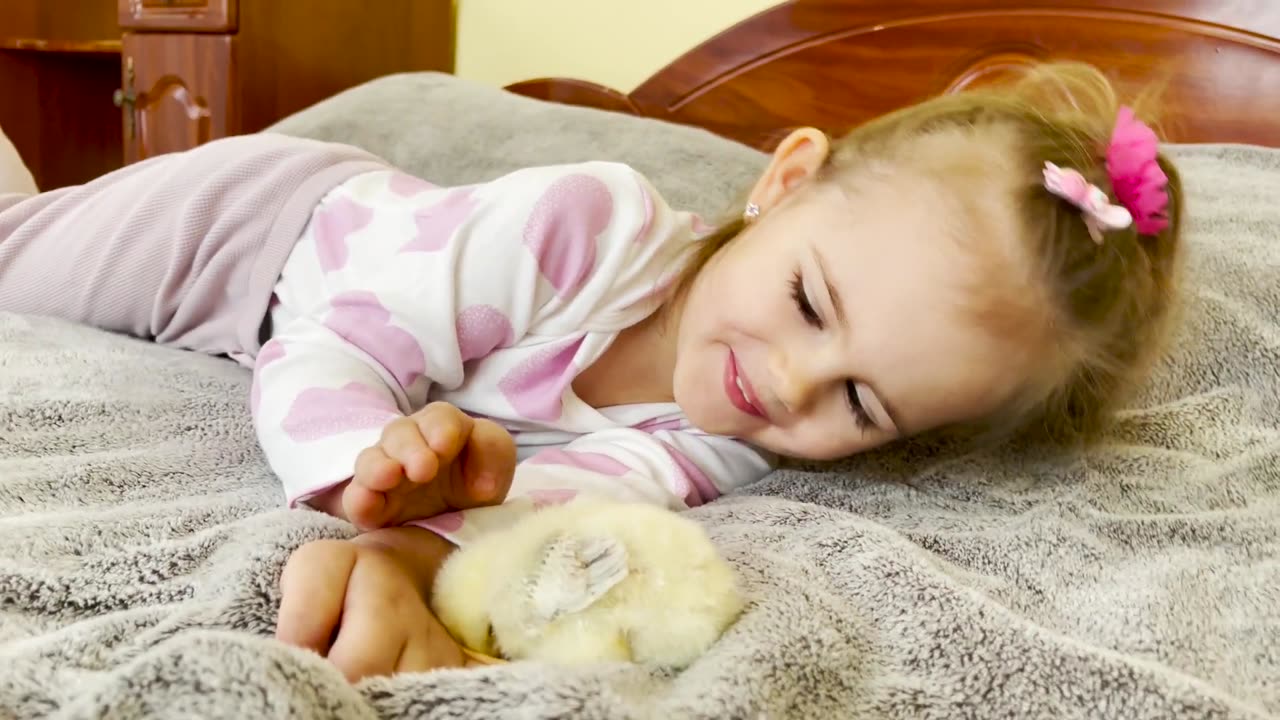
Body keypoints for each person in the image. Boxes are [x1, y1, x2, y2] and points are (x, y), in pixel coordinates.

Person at [0, 63, 1183, 679]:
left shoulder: (721, 449)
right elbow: (328, 351)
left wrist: (419, 547)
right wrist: (364, 468)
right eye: (808, 302)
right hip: (246, 232)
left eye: (864, 403)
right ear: (780, 182)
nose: (789, 383)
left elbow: (529, 522)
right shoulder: (584, 225)